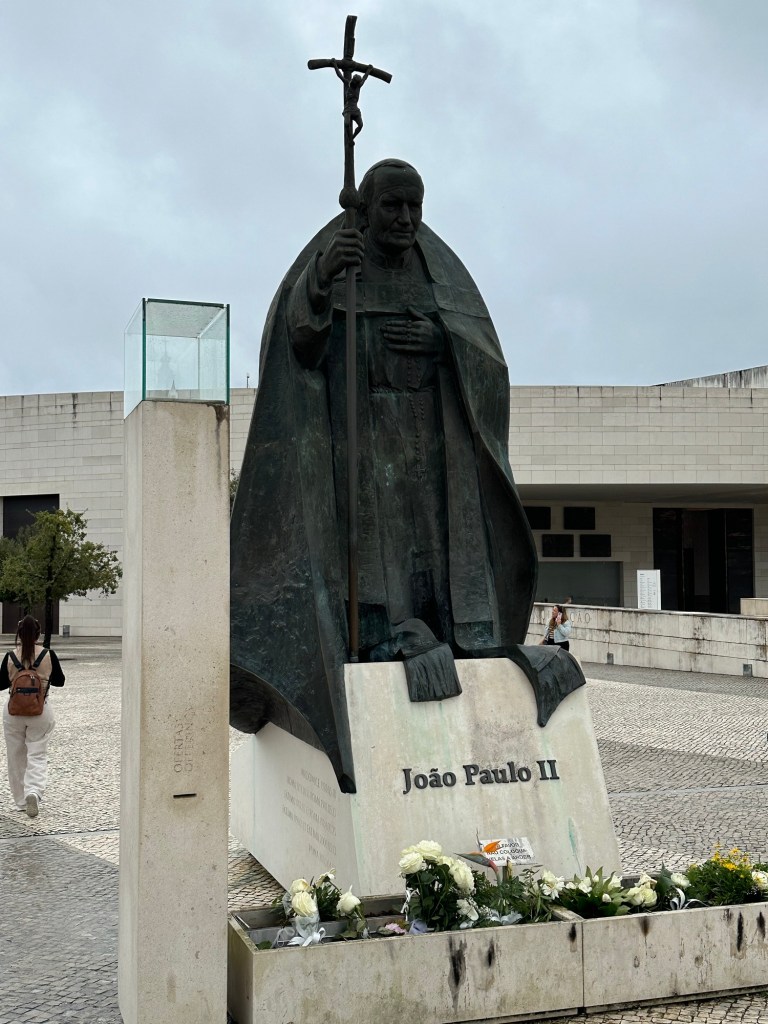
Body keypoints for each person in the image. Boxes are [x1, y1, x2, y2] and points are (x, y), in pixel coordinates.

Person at [230, 158, 583, 791]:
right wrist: (321, 279)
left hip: (432, 449)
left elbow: (488, 361)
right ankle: (386, 636)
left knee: (439, 549)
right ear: (366, 209)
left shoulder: (437, 274)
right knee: (377, 552)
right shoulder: (337, 263)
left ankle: (455, 635)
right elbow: (299, 344)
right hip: (361, 447)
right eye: (393, 206)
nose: (406, 219)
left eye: (415, 207)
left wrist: (443, 345)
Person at [0, 615, 65, 817]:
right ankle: (34, 792)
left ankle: (21, 801)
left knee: (15, 756)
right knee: (37, 753)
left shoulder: (10, 656)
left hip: (14, 712)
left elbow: (0, 684)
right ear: (38, 634)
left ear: (19, 634)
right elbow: (60, 681)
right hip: (40, 711)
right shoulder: (48, 654)